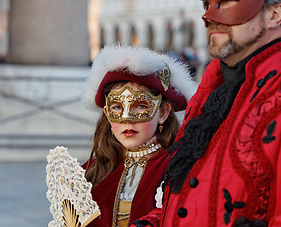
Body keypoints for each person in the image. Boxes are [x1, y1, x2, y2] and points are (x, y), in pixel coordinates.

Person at [131, 0, 281, 226]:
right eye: (207, 5)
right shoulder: (210, 93)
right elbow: (185, 202)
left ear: (274, 15)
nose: (208, 17)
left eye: (227, 1)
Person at [83, 45, 197, 227]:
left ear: (163, 113)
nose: (127, 118)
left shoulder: (180, 167)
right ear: (106, 112)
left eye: (141, 106)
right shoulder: (89, 173)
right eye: (117, 107)